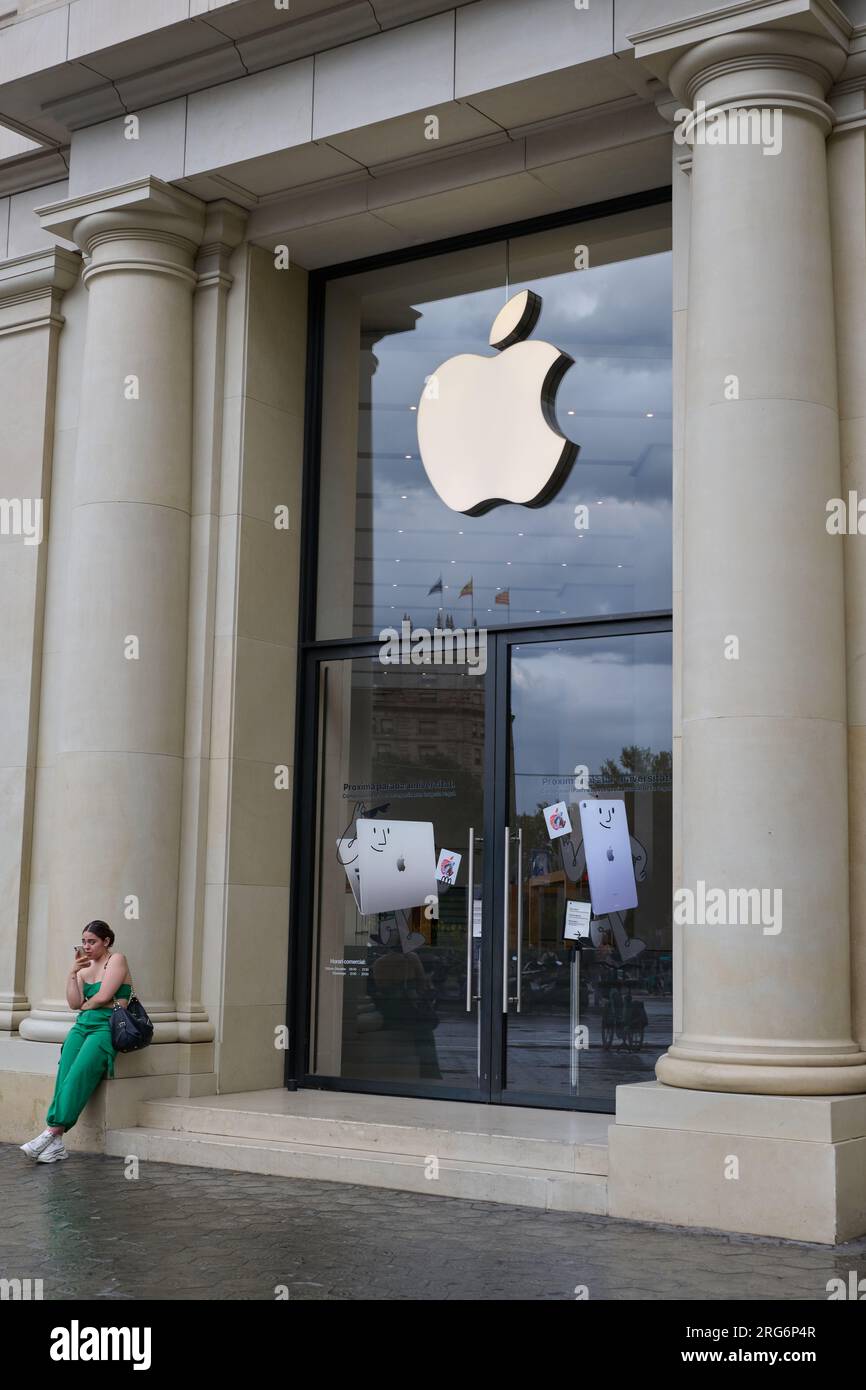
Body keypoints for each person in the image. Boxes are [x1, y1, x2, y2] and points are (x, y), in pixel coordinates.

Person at [20, 921, 133, 1164]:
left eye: (92, 941)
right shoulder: (83, 967)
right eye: (83, 941)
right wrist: (72, 973)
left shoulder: (117, 960)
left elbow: (103, 996)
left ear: (106, 941)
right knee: (65, 1073)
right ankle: (57, 1144)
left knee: (79, 1074)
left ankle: (51, 1131)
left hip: (106, 1026)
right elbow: (74, 1003)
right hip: (82, 1026)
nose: (86, 946)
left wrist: (89, 1003)